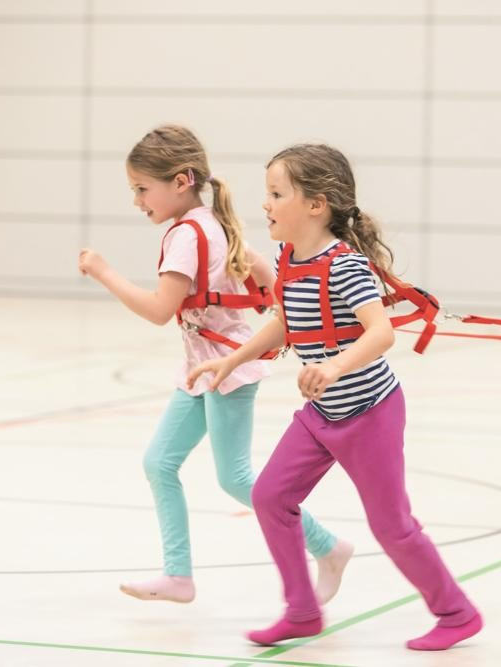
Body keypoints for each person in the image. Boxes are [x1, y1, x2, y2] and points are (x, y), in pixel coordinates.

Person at [188, 143, 482, 650]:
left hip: (370, 412)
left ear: (316, 205)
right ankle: (302, 611)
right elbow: (285, 320)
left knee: (393, 526)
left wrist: (334, 365)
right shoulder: (286, 256)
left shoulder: (346, 266)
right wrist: (234, 358)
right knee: (270, 496)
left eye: (277, 194)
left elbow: (380, 332)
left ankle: (456, 613)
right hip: (322, 414)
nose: (266, 204)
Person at [78, 125, 352, 606]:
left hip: (225, 371)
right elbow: (263, 270)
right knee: (159, 462)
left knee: (236, 478)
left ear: (181, 181)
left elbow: (161, 310)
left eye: (142, 189)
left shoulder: (187, 234)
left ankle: (329, 548)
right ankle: (178, 575)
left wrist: (104, 272)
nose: (138, 200)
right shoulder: (211, 222)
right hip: (202, 370)